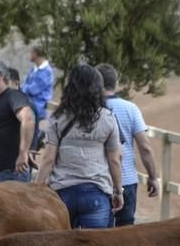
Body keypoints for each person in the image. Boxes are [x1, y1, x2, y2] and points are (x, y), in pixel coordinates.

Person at [35, 64, 123, 229]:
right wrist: (118, 191)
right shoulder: (108, 118)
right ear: (98, 87)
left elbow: (48, 159)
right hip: (96, 193)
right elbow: (114, 161)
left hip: (62, 195)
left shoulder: (57, 118)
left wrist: (35, 188)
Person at [97, 63, 159, 226]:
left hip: (96, 180)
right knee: (124, 235)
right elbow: (144, 146)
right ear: (116, 83)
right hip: (126, 180)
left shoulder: (89, 109)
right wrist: (152, 177)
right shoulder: (130, 108)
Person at [0, 59, 35, 184]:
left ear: (0, 76)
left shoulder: (13, 96)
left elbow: (28, 118)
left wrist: (23, 153)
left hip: (10, 175)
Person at [22, 45, 54, 149]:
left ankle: (38, 138)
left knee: (31, 137)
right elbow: (24, 86)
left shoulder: (47, 71)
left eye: (31, 53)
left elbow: (32, 89)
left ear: (36, 54)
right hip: (29, 103)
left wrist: (25, 88)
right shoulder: (34, 69)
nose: (30, 55)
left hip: (38, 106)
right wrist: (25, 88)